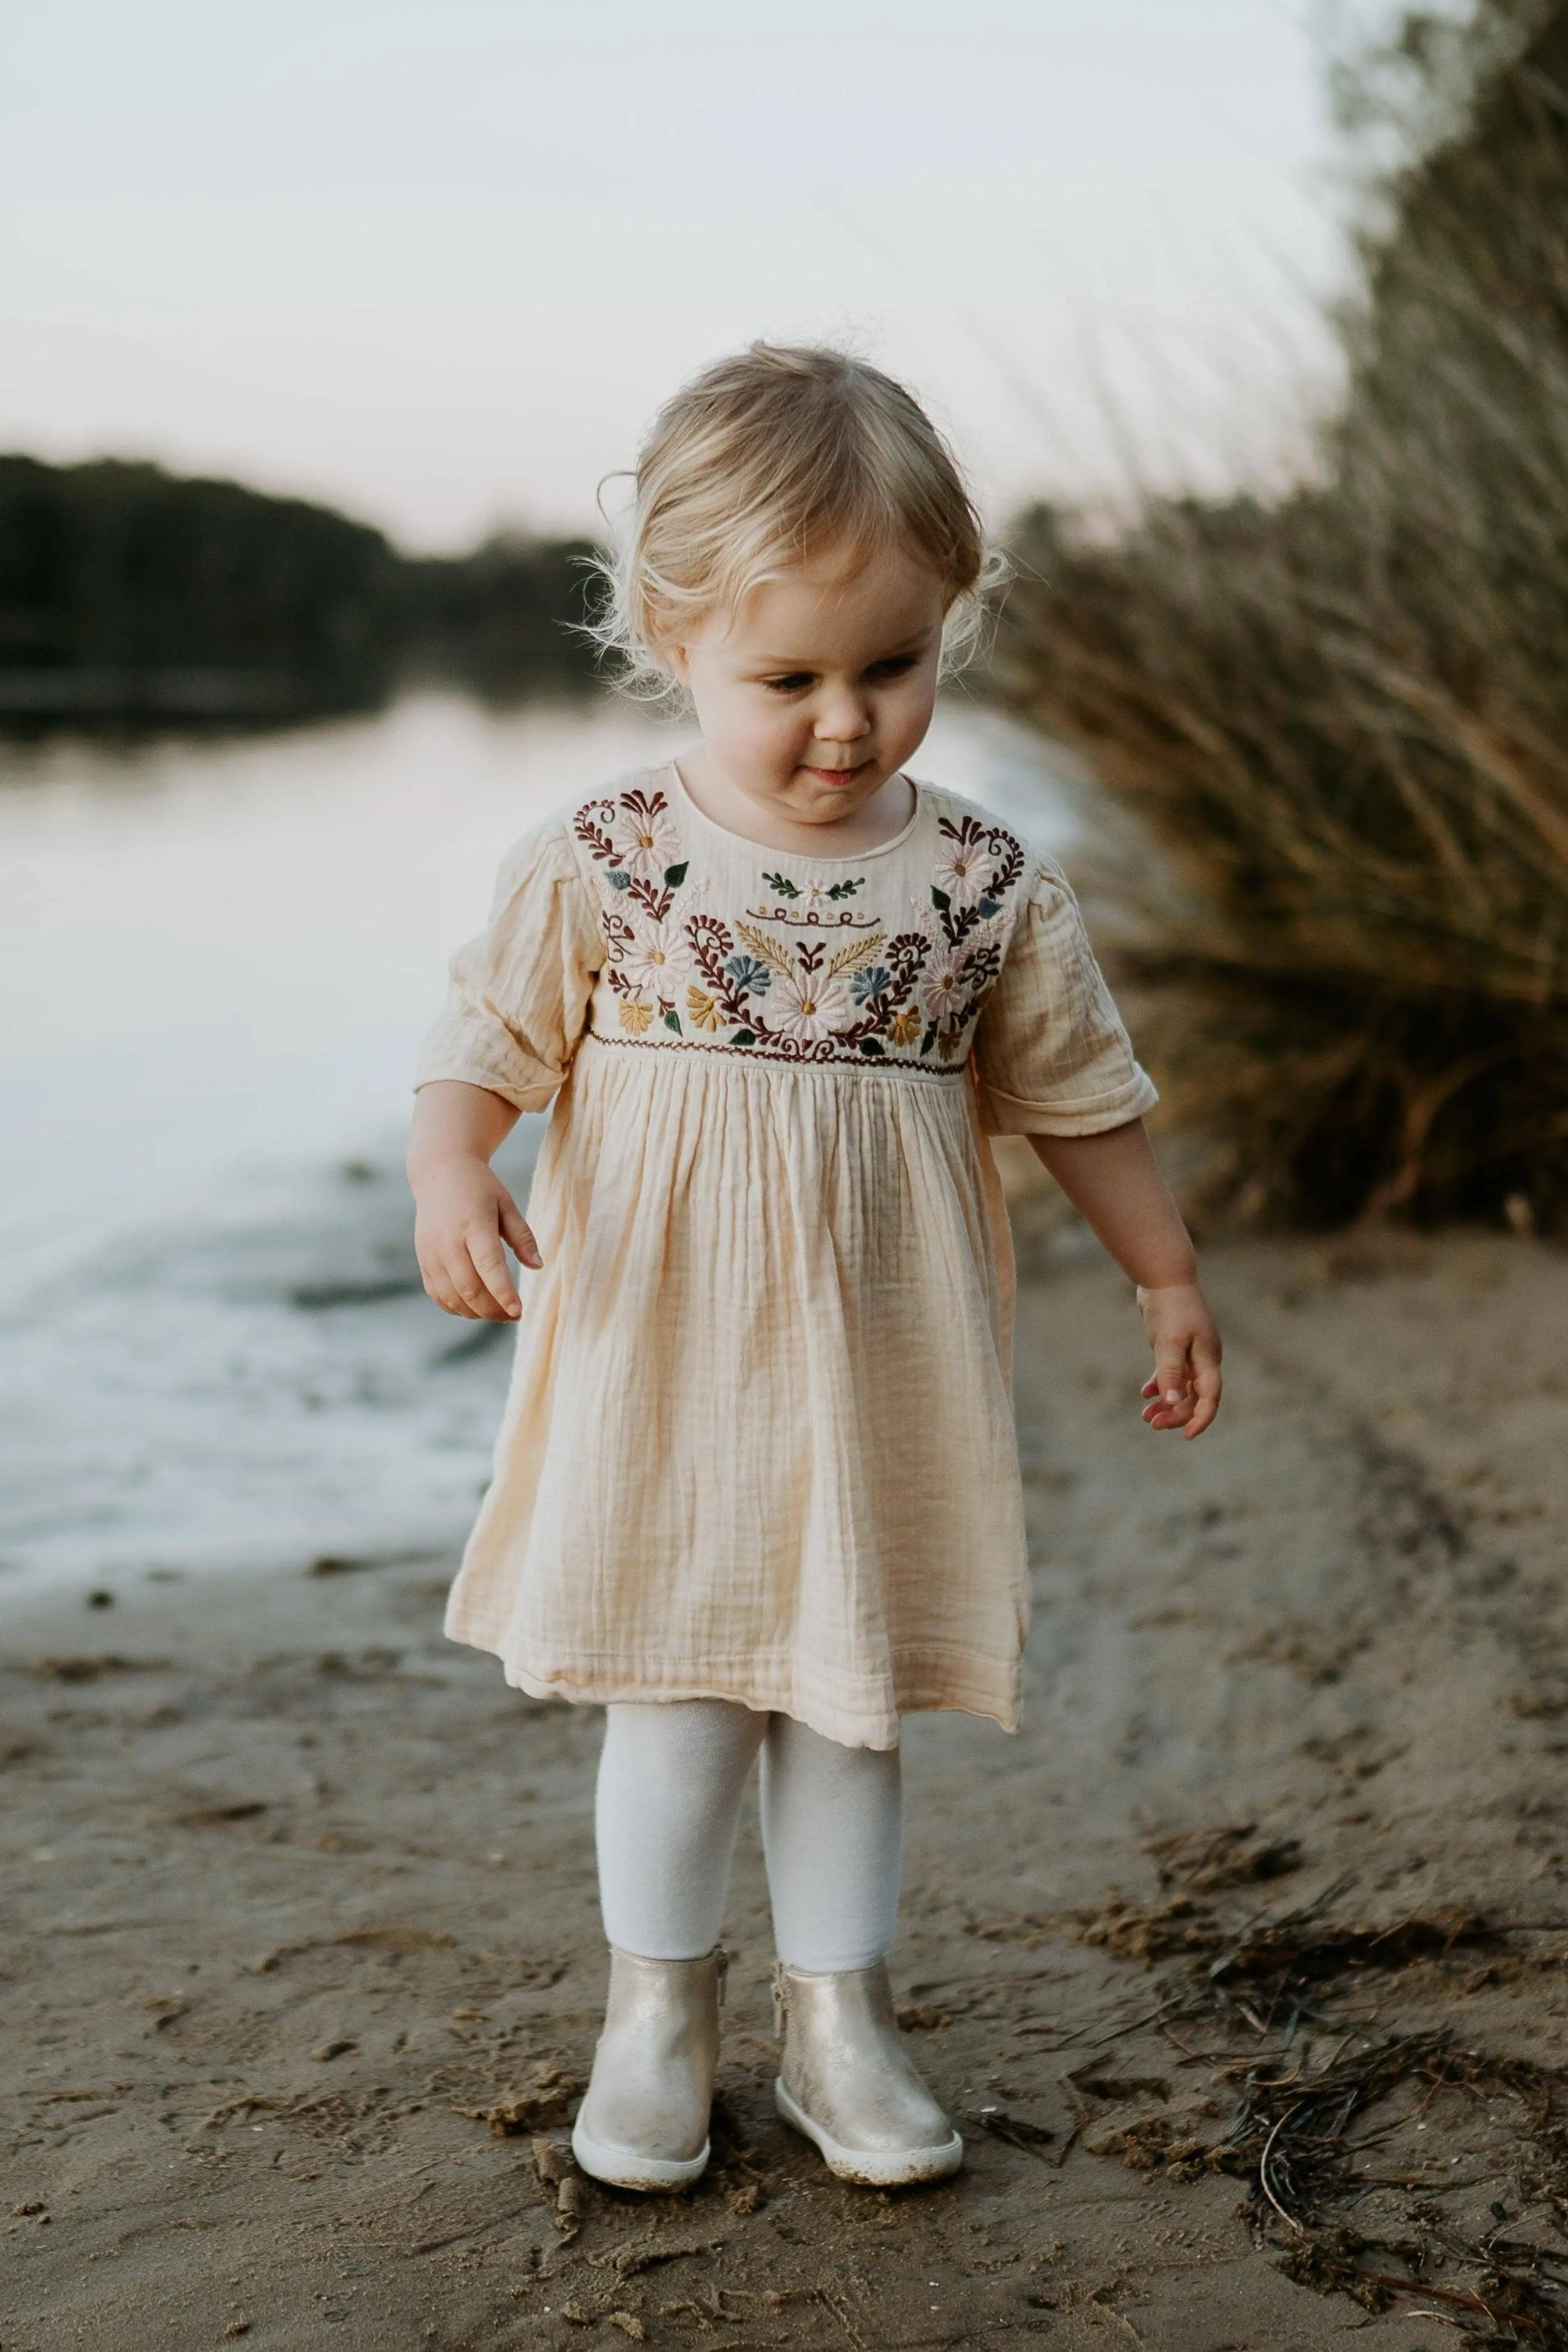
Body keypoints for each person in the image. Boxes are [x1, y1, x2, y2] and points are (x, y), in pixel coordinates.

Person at [408, 344, 1222, 2195]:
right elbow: (480, 1044)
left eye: (893, 664)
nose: (845, 720)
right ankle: (656, 2015)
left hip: (881, 1369)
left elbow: (1078, 1096)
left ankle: (839, 2017)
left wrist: (1165, 1274)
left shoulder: (983, 882)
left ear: (953, 624)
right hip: (663, 1365)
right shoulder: (604, 860)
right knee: (679, 1692)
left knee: (850, 1698)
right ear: (670, 635)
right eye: (788, 677)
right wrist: (453, 1170)